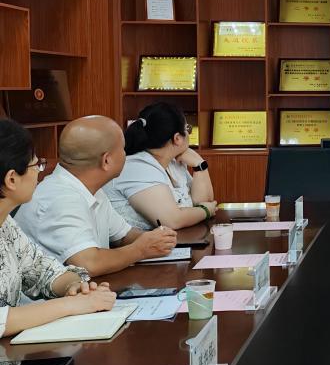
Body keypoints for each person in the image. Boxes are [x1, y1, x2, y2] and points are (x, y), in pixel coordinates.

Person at [16, 116, 177, 277]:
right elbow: (88, 264)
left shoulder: (90, 187)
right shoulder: (61, 198)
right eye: (122, 149)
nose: (125, 154)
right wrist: (140, 249)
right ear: (106, 161)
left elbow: (123, 236)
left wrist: (156, 239)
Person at [0, 119, 115, 337]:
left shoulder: (6, 224)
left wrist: (75, 287)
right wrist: (73, 305)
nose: (39, 172)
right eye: (36, 166)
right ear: (12, 179)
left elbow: (43, 271)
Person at [104, 102, 217, 231]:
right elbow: (173, 220)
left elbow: (204, 201)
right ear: (177, 138)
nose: (189, 133)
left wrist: (199, 164)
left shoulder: (173, 163)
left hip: (175, 240)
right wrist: (205, 211)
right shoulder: (138, 167)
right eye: (188, 129)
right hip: (133, 243)